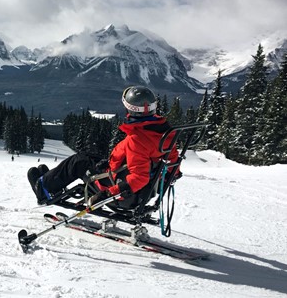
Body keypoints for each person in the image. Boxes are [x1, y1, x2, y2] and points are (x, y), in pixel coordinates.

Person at [27, 85, 180, 208]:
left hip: (123, 192)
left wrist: (107, 194)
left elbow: (139, 177)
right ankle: (52, 180)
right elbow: (172, 163)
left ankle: (43, 188)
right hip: (135, 186)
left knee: (78, 161)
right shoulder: (164, 133)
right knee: (89, 156)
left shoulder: (138, 138)